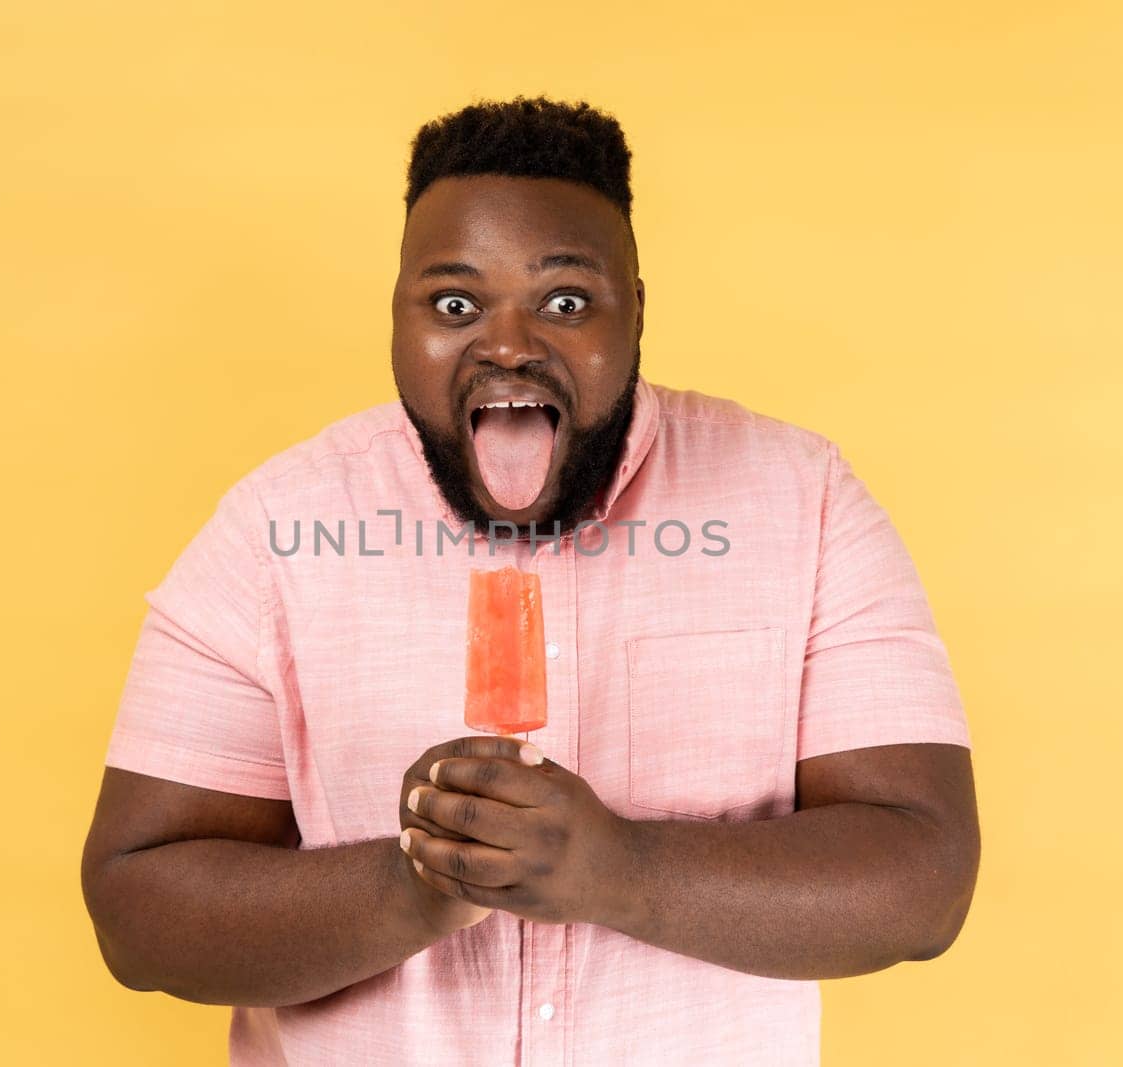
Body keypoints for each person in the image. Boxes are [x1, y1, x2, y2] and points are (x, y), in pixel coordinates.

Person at [80, 94, 980, 1066]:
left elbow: (921, 877)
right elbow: (139, 912)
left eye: (563, 301)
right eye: (454, 304)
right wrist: (418, 884)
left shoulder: (803, 503)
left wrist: (617, 869)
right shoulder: (271, 530)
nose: (507, 342)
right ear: (396, 315)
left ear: (636, 307)